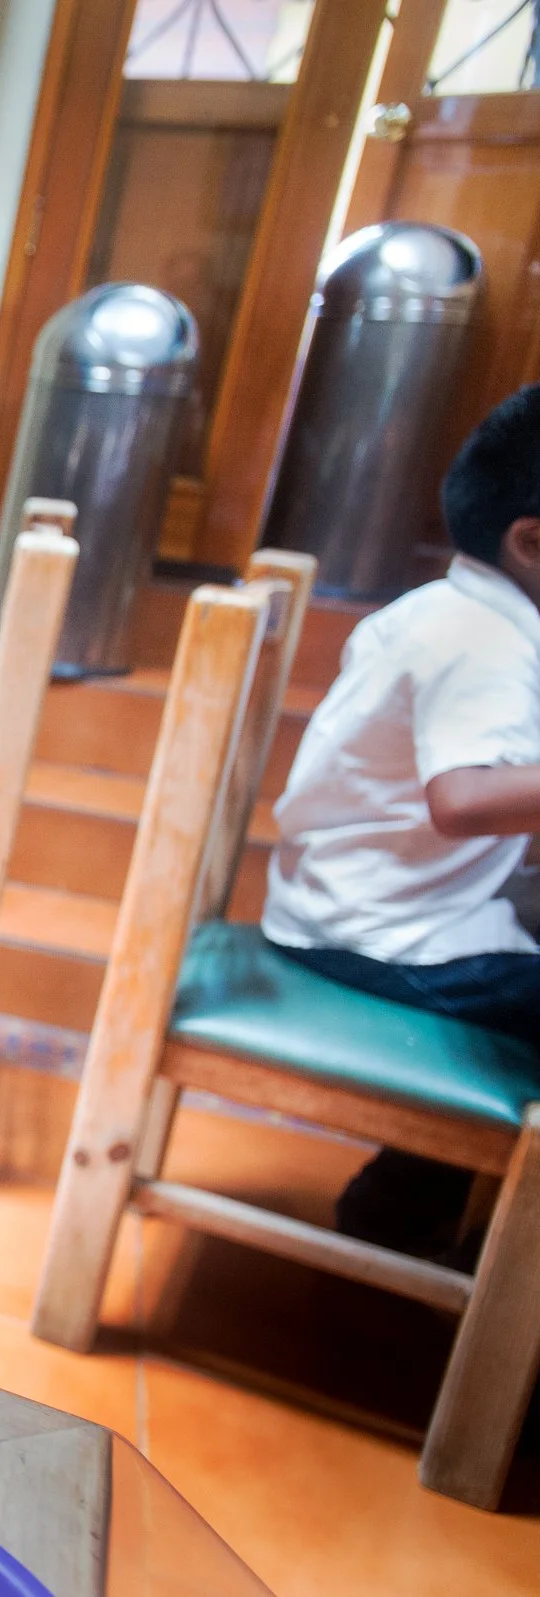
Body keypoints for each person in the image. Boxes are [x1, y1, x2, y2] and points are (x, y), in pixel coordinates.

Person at [261, 385, 540, 1258]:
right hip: (377, 932)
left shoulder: (448, 610)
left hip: (342, 905)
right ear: (531, 540)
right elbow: (460, 798)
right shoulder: (490, 641)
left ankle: (403, 1202)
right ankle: (449, 1240)